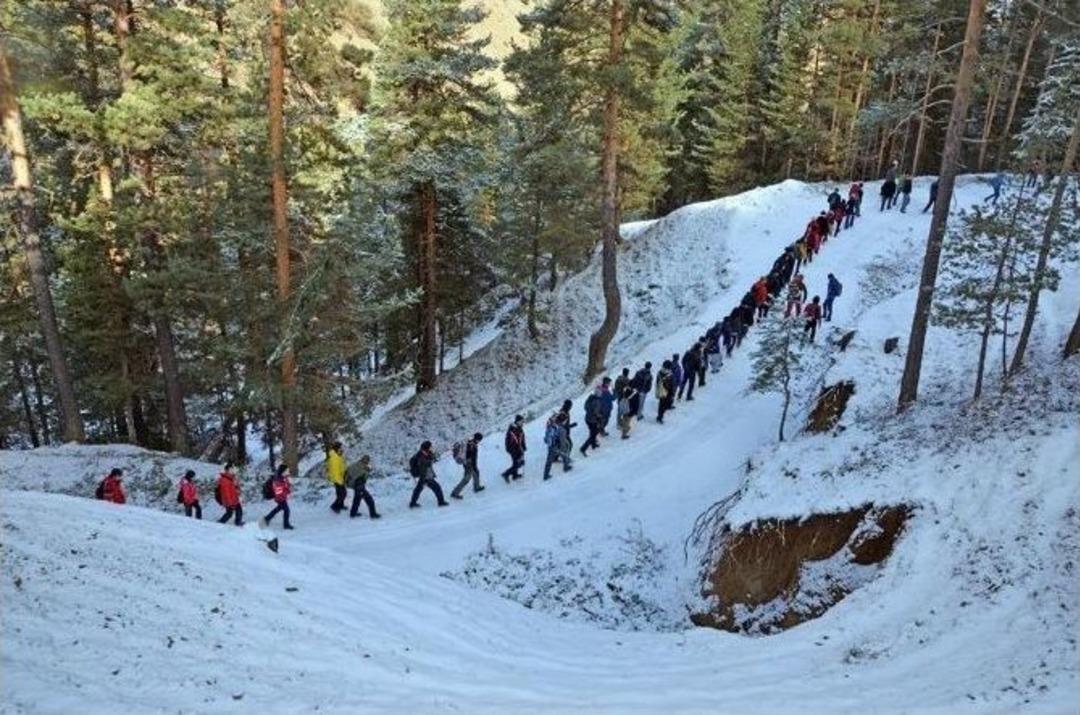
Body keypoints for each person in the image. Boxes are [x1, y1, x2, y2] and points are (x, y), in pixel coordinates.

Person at [408, 441, 448, 508]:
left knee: (418, 489)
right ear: (426, 448)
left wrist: (433, 458)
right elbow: (423, 466)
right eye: (430, 447)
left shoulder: (426, 453)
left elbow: (431, 457)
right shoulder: (420, 456)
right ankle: (441, 502)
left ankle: (412, 503)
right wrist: (429, 462)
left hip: (425, 476)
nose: (431, 448)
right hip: (425, 476)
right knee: (437, 488)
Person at [451, 433, 484, 499]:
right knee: (467, 478)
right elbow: (473, 457)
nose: (480, 441)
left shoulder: (469, 442)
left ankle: (477, 486)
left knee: (476, 472)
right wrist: (474, 466)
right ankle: (455, 492)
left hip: (466, 462)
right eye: (480, 440)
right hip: (469, 463)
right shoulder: (473, 445)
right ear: (478, 439)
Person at [347, 454, 381, 519]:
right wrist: (367, 471)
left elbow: (349, 471)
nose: (367, 462)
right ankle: (373, 514)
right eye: (367, 460)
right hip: (360, 486)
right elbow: (363, 476)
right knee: (370, 500)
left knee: (357, 500)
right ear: (365, 460)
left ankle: (353, 514)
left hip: (355, 485)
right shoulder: (363, 467)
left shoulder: (355, 464)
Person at [262, 464, 294, 529]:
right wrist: (287, 490)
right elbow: (279, 492)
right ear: (283, 471)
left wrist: (289, 484)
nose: (288, 472)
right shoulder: (278, 480)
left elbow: (286, 487)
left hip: (282, 497)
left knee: (278, 509)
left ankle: (266, 519)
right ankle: (286, 525)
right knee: (287, 510)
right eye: (287, 470)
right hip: (280, 498)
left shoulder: (284, 478)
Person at [543, 412, 573, 479]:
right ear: (563, 421)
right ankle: (566, 467)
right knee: (564, 454)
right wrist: (563, 449)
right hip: (556, 446)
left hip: (550, 444)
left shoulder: (552, 424)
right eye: (565, 421)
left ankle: (545, 475)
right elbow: (562, 442)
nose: (566, 422)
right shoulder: (561, 429)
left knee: (549, 461)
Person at [501, 415, 527, 482]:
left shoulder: (519, 428)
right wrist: (511, 450)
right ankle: (506, 474)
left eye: (522, 421)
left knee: (518, 462)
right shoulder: (512, 430)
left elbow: (522, 438)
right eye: (521, 421)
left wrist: (524, 446)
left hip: (519, 448)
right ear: (517, 421)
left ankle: (515, 475)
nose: (522, 423)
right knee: (517, 464)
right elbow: (508, 441)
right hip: (513, 449)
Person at [326, 441, 348, 514]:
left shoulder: (338, 456)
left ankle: (340, 505)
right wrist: (340, 481)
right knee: (343, 493)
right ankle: (335, 506)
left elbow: (341, 466)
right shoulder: (334, 458)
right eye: (341, 447)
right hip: (337, 479)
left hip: (340, 478)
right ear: (337, 448)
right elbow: (335, 471)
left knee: (340, 493)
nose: (342, 449)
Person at [581, 388, 604, 456]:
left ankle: (593, 444)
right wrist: (601, 416)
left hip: (587, 418)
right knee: (593, 433)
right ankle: (583, 448)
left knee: (592, 431)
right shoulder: (597, 401)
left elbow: (585, 408)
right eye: (600, 393)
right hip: (593, 420)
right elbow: (596, 412)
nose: (601, 394)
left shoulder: (590, 398)